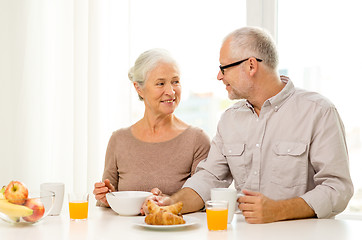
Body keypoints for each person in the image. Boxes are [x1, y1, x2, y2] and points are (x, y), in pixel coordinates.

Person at [145, 27, 354, 223]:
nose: (219, 76)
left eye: (223, 68)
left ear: (251, 65)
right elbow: (209, 178)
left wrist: (279, 210)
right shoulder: (229, 119)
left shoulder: (318, 111)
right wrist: (171, 203)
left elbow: (337, 188)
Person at [93, 48, 210, 207]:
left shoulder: (197, 140)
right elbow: (106, 206)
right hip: (124, 232)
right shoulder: (118, 140)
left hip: (176, 231)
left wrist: (166, 201)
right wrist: (108, 198)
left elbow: (203, 200)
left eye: (175, 81)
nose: (170, 91)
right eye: (160, 83)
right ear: (138, 88)